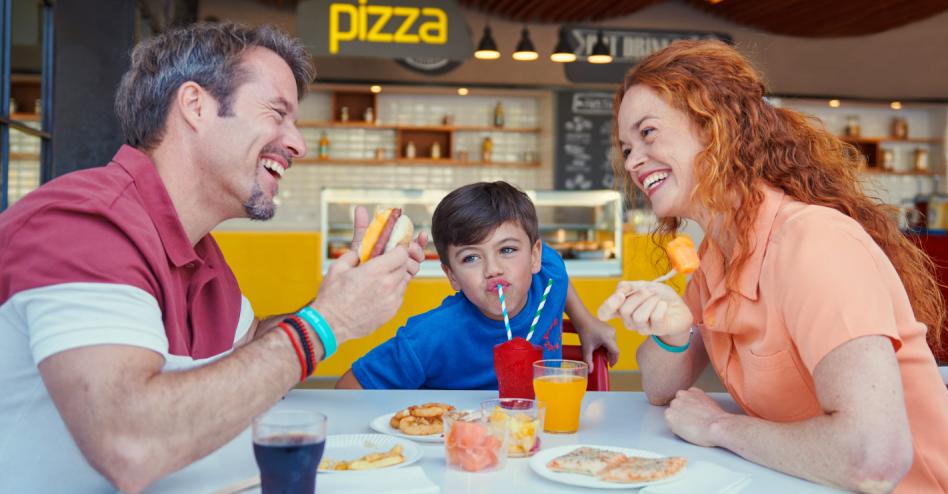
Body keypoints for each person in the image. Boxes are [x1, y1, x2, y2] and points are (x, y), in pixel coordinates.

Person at [0, 23, 425, 493]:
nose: (297, 143)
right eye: (276, 113)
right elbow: (131, 442)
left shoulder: (199, 249)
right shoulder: (82, 223)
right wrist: (328, 323)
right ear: (195, 105)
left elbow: (248, 361)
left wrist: (344, 298)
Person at [598, 40, 948, 493]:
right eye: (626, 147)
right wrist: (672, 334)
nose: (632, 161)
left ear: (717, 127)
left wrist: (718, 428)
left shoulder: (815, 244)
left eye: (647, 133)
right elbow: (659, 389)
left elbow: (873, 460)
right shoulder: (715, 252)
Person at [336, 181, 619, 389]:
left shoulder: (549, 274)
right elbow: (346, 390)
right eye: (471, 257)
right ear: (452, 276)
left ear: (534, 256)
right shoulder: (431, 336)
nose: (493, 269)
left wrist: (584, 320)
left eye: (507, 250)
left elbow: (557, 274)